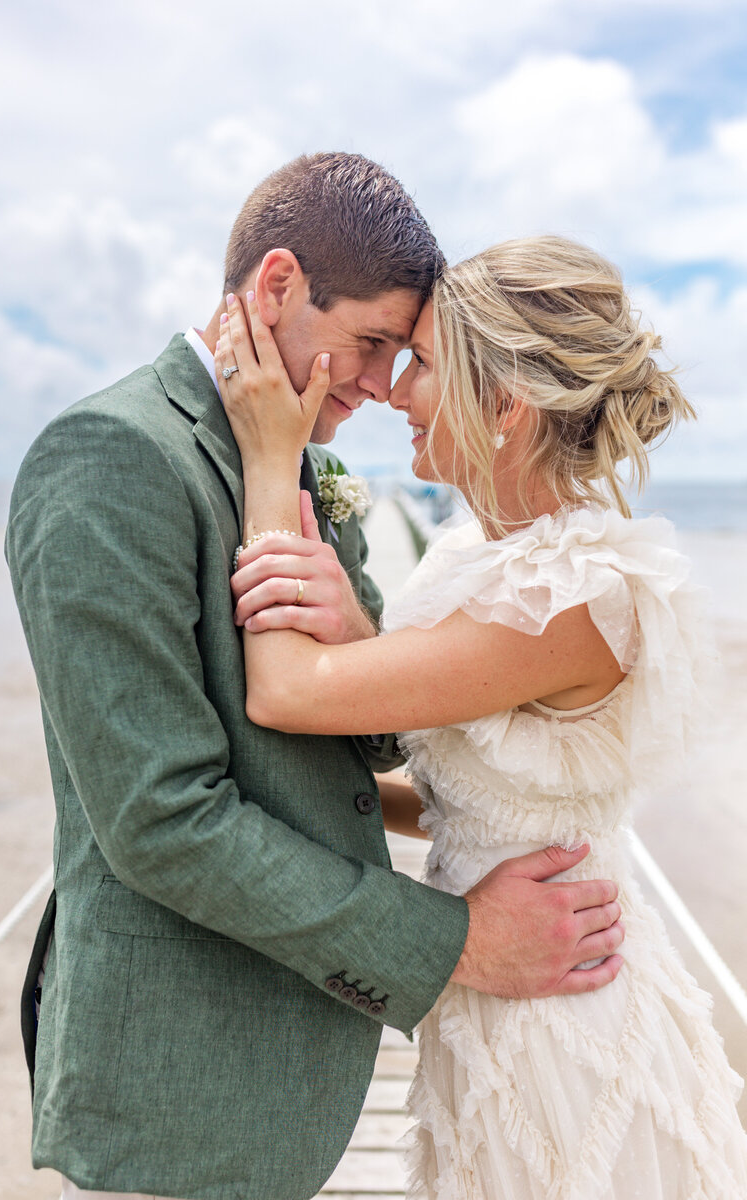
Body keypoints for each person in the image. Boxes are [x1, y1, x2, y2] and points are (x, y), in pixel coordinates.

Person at [5, 156, 624, 1200]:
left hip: (288, 1066)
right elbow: (162, 819)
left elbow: (365, 736)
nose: (383, 387)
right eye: (373, 344)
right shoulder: (110, 456)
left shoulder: (289, 454)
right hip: (183, 1076)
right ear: (279, 284)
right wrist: (457, 943)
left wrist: (353, 624)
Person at [216, 234, 747, 1199]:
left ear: (502, 407)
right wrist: (363, 643)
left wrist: (270, 457)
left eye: (419, 363)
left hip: (560, 1013)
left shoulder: (581, 590)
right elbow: (463, 786)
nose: (393, 390)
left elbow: (285, 693)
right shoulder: (481, 558)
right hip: (497, 979)